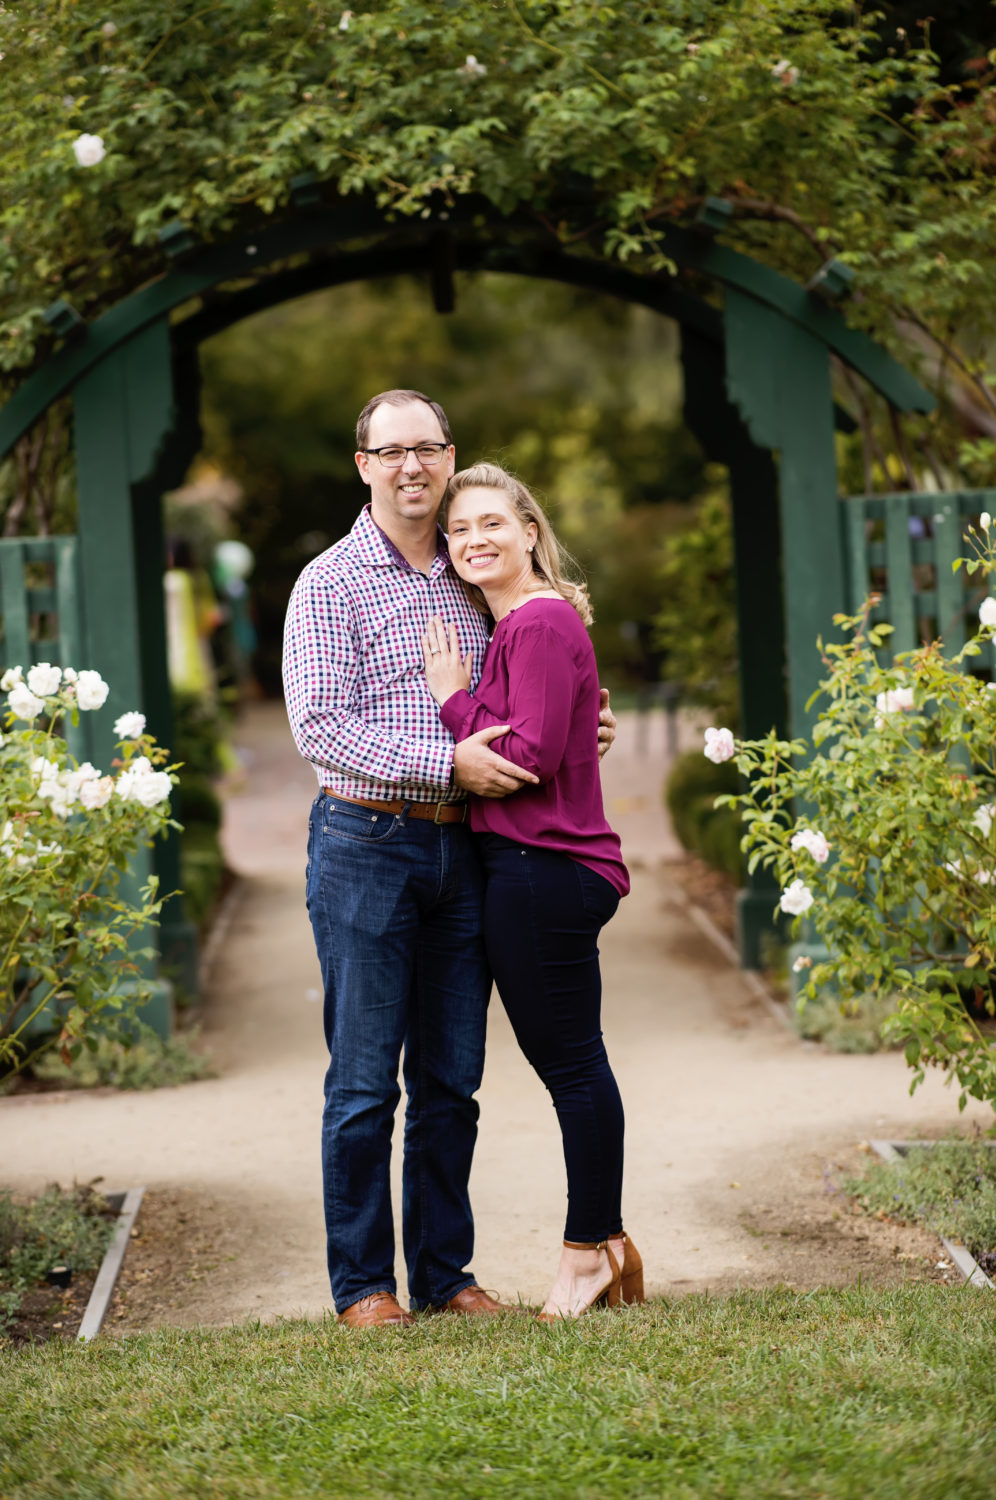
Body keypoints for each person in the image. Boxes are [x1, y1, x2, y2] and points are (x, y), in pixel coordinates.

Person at [282, 390, 616, 1328]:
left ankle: (442, 1273)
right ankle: (364, 1286)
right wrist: (448, 759)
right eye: (390, 453)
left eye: (426, 450)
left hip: (468, 847)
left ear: (449, 454)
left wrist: (579, 722)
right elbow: (318, 723)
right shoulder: (330, 582)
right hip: (365, 842)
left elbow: (530, 689)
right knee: (360, 1081)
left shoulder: (477, 576)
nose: (411, 468)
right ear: (363, 466)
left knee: (450, 1080)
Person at [422, 463, 642, 1320]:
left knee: (573, 1069)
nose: (473, 540)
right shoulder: (521, 625)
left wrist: (449, 700)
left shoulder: (537, 624)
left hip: (541, 867)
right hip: (535, 867)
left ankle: (586, 1253)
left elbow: (527, 760)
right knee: (574, 1064)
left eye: (490, 524)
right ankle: (609, 1244)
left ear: (528, 530)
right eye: (458, 531)